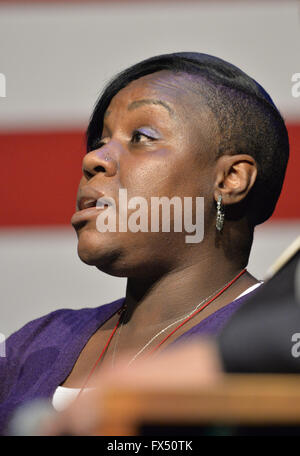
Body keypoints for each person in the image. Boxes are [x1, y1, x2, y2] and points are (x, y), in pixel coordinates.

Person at [0, 52, 289, 435]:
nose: (93, 159)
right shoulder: (35, 342)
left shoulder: (280, 341)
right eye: (101, 141)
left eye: (142, 137)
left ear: (230, 179)